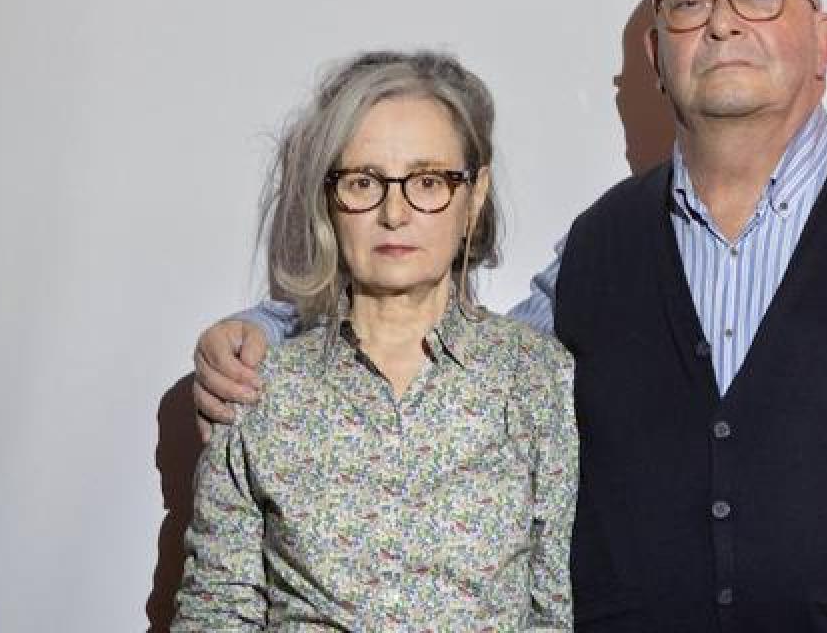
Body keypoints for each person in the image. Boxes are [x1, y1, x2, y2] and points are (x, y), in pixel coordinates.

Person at [194, 0, 827, 631]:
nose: (723, 20)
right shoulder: (602, 245)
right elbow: (449, 333)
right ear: (656, 54)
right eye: (687, 3)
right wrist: (269, 334)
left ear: (824, 39)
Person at [173, 51, 576, 631]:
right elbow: (217, 611)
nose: (395, 212)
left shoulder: (536, 377)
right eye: (364, 182)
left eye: (428, 181)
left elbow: (550, 610)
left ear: (475, 194)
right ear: (328, 197)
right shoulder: (259, 388)